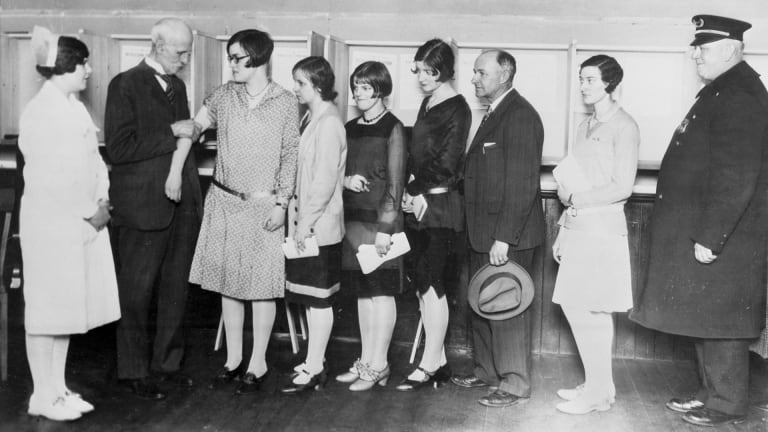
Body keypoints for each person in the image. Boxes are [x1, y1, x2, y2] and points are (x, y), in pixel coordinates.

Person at [630, 15, 768, 427]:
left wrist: (711, 235)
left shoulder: (739, 95)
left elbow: (735, 175)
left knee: (721, 320)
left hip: (727, 236)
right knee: (704, 314)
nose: (695, 55)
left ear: (730, 49)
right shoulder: (722, 90)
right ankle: (710, 392)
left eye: (703, 48)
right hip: (711, 231)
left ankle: (727, 403)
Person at [188, 29, 299, 394]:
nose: (231, 64)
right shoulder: (224, 95)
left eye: (237, 57)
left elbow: (290, 154)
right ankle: (233, 359)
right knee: (228, 284)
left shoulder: (285, 101)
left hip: (264, 205)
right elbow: (197, 125)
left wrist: (282, 203)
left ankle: (257, 362)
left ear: (258, 57)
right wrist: (184, 130)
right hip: (224, 201)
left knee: (261, 287)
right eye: (230, 57)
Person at [19, 26, 120, 421]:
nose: (89, 70)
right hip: (53, 225)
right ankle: (42, 395)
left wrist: (101, 199)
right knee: (46, 313)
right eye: (83, 64)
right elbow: (51, 177)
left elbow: (93, 161)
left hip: (80, 223)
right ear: (64, 67)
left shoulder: (73, 106)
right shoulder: (41, 113)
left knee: (66, 310)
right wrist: (89, 211)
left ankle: (58, 390)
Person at [105, 17, 202, 400]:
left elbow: (183, 139)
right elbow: (119, 148)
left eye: (188, 52)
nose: (185, 60)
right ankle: (133, 371)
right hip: (142, 207)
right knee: (136, 293)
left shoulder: (178, 86)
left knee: (175, 291)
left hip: (180, 205)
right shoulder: (124, 84)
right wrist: (172, 131)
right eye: (180, 52)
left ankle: (168, 366)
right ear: (159, 46)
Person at [451, 49, 544, 408]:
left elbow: (522, 184)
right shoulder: (495, 113)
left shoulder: (520, 116)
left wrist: (504, 237)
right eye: (474, 72)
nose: (474, 79)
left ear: (504, 75)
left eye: (481, 72)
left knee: (507, 307)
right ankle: (488, 372)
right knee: (482, 303)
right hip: (482, 233)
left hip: (506, 237)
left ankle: (515, 383)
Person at [551, 55, 639, 414]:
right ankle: (599, 385)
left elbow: (623, 186)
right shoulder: (584, 125)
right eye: (581, 80)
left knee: (592, 310)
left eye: (590, 80)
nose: (584, 86)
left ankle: (598, 393)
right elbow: (573, 176)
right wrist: (563, 228)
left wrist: (576, 199)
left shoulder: (625, 126)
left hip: (603, 229)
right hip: (578, 227)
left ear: (609, 84)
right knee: (578, 307)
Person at [396, 39, 471, 391]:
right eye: (420, 71)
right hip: (421, 204)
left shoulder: (459, 108)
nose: (423, 78)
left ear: (446, 71)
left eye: (431, 71)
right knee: (422, 285)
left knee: (433, 285)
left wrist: (414, 190)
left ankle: (427, 365)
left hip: (440, 208)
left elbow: (447, 163)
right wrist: (410, 190)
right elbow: (419, 155)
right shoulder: (428, 102)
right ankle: (438, 361)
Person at [335, 61, 406, 391]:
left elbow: (396, 183)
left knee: (381, 293)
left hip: (379, 224)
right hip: (352, 222)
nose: (358, 93)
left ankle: (379, 364)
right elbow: (337, 170)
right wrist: (346, 180)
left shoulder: (394, 128)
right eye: (356, 87)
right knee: (363, 294)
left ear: (380, 90)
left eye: (365, 87)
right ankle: (366, 361)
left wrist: (385, 229)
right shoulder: (349, 128)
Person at [281, 56, 347, 393]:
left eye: (301, 83)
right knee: (309, 297)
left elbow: (323, 182)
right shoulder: (312, 117)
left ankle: (316, 366)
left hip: (318, 228)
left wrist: (304, 224)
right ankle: (313, 360)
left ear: (318, 86)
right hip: (308, 225)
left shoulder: (329, 123)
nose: (295, 88)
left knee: (319, 299)